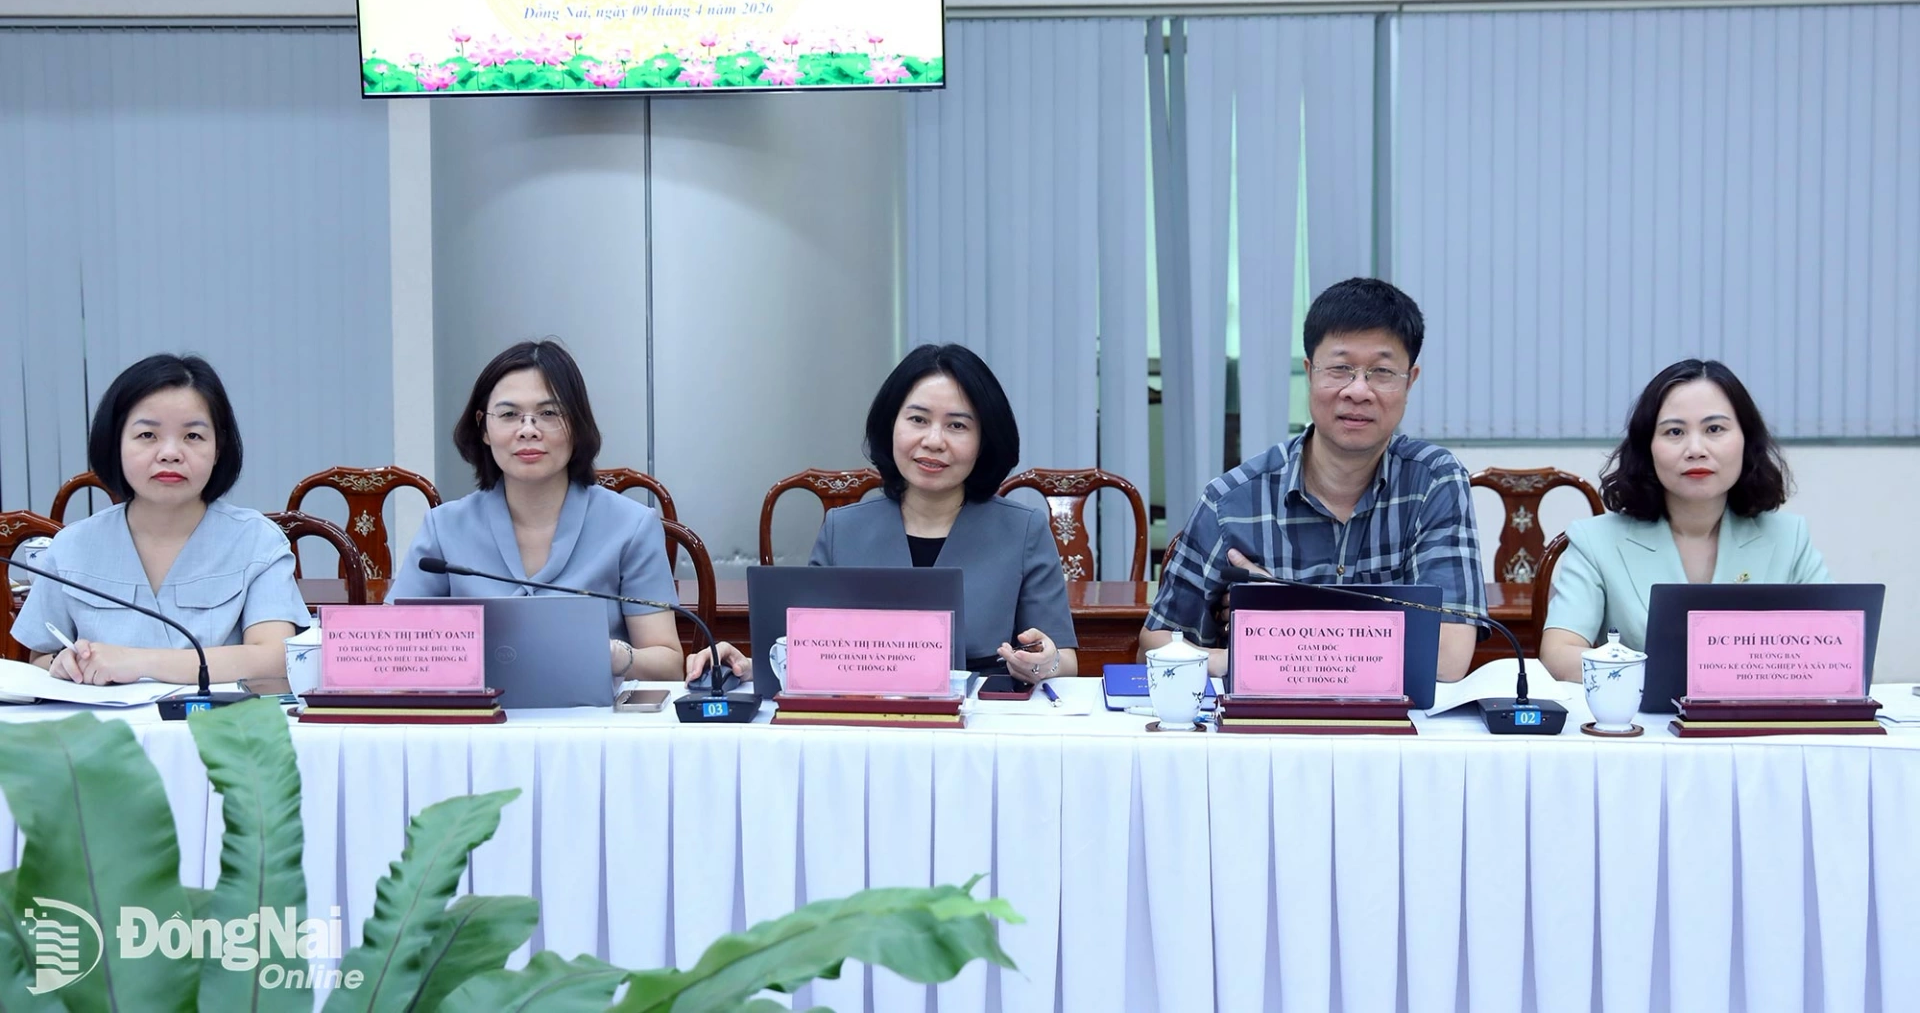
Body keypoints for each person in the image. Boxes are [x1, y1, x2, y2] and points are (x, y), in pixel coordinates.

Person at [1139, 278, 1485, 681]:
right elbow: (1155, 644)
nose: (1358, 391)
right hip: (1266, 737)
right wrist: (1241, 660)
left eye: (1382, 372)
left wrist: (1280, 627)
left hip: (1390, 737)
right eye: (1340, 368)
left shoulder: (1434, 482)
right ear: (1309, 372)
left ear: (1411, 381)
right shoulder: (1231, 502)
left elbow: (1447, 660)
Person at [689, 343, 1077, 684]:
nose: (933, 441)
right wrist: (744, 665)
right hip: (866, 722)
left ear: (985, 441)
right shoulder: (845, 529)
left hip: (981, 724)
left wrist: (1044, 663)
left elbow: (1065, 658)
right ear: (890, 426)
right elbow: (805, 652)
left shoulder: (1022, 530)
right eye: (918, 420)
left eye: (957, 425)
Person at [389, 340, 682, 680]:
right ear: (483, 427)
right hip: (478, 725)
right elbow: (394, 643)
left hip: (591, 723)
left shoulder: (631, 526)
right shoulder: (444, 528)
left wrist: (618, 657)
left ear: (576, 425)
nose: (528, 430)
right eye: (510, 414)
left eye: (548, 413)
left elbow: (669, 663)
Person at [11, 354, 310, 684]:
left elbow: (274, 659)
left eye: (192, 436)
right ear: (115, 445)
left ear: (219, 449)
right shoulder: (73, 545)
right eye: (147, 436)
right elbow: (39, 659)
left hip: (217, 730)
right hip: (102, 733)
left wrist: (136, 662)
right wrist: (62, 663)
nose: (170, 453)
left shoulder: (257, 541)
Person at [1538, 359, 1829, 682]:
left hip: (1757, 727)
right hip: (1645, 725)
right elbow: (1559, 654)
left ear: (1747, 439)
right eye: (1674, 432)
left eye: (1714, 429)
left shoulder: (1789, 538)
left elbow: (1842, 652)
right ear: (1647, 447)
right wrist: (1674, 676)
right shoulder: (1596, 541)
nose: (1695, 449)